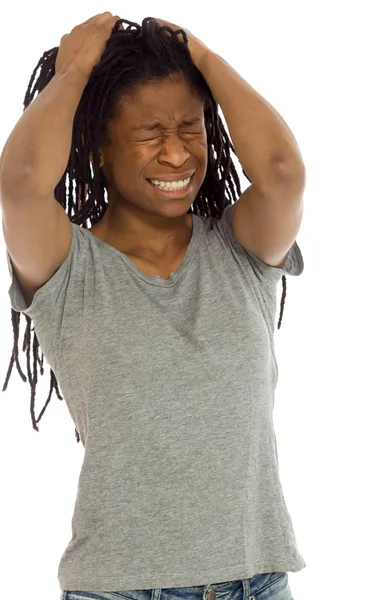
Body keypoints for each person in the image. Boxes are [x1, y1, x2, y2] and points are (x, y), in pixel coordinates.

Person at [0, 12, 306, 600]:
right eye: (149, 134)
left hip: (258, 583)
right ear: (96, 143)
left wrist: (207, 62)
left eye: (191, 129)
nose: (176, 156)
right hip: (122, 591)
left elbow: (283, 172)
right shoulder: (68, 269)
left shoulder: (239, 250)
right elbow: (21, 183)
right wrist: (75, 72)